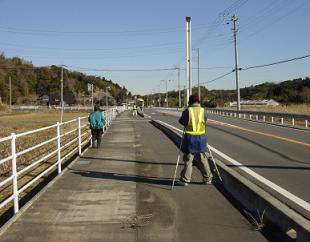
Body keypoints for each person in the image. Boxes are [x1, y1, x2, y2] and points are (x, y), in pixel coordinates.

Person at [178, 94, 213, 186]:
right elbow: (204, 121)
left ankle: (185, 179)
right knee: (203, 158)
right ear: (198, 101)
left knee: (188, 160)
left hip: (190, 138)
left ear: (190, 102)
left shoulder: (187, 111)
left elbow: (181, 121)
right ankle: (208, 178)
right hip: (201, 138)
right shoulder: (203, 111)